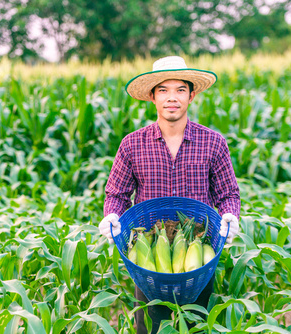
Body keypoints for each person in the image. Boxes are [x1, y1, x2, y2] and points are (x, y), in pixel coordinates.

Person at [99, 56, 241, 333]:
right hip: (149, 256)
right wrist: (112, 215)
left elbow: (228, 194)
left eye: (180, 90)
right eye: (163, 90)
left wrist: (229, 216)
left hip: (198, 253)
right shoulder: (132, 144)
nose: (171, 98)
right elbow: (117, 193)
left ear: (192, 95)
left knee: (197, 326)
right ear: (152, 96)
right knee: (151, 327)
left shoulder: (213, 142)